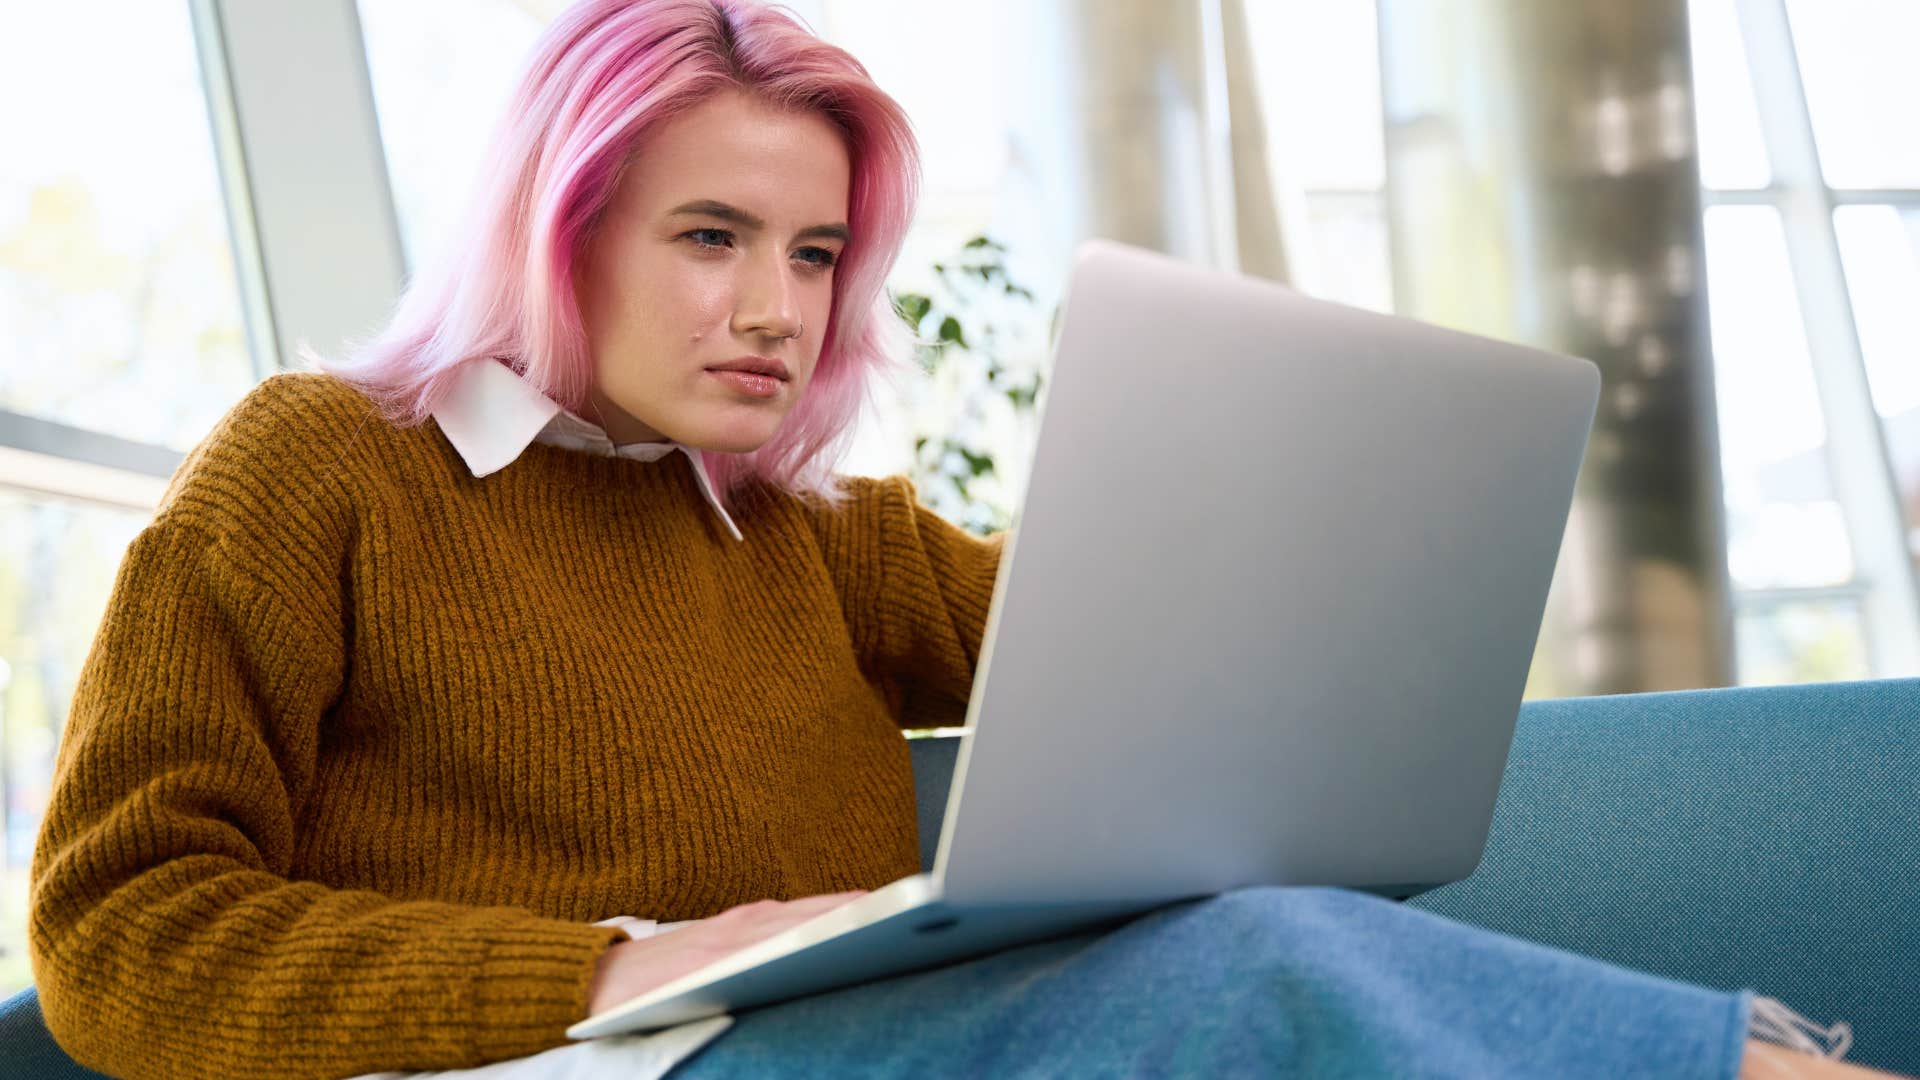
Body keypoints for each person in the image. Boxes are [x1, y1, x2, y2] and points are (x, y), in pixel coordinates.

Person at [24, 1, 1885, 1078]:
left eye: (817, 252)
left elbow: (1155, 672)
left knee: (1261, 935)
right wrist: (611, 965)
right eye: (711, 237)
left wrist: (1317, 528)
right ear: (556, 223)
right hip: (566, 1069)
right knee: (1258, 984)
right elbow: (116, 933)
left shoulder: (812, 537)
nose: (781, 309)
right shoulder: (319, 469)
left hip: (828, 1054)